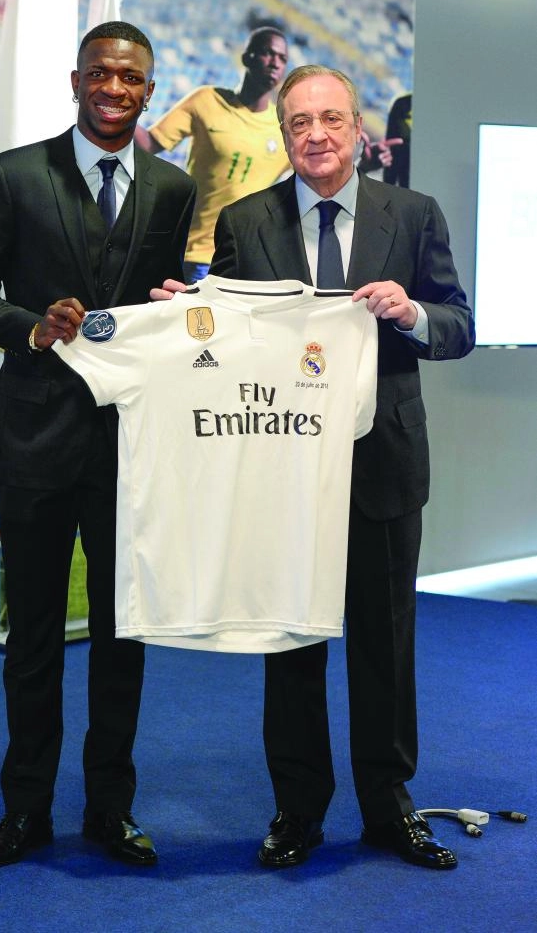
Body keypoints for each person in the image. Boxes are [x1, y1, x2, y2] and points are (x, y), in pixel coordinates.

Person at [152, 64, 475, 870]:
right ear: (285, 133)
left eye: (331, 119)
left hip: (383, 462)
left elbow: (459, 322)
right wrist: (177, 322)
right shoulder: (248, 218)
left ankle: (387, 809)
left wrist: (413, 313)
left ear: (357, 129)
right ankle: (296, 809)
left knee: (384, 645)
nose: (317, 136)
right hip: (281, 467)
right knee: (289, 640)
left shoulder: (414, 213)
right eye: (300, 123)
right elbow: (222, 331)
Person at [0, 21, 196, 870]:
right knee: (35, 640)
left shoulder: (171, 188)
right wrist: (33, 328)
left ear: (148, 89)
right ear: (75, 79)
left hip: (133, 446)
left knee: (125, 637)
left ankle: (109, 809)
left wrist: (172, 305)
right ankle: (25, 812)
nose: (115, 89)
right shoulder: (14, 173)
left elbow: (167, 307)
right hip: (36, 440)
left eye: (131, 78)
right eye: (101, 74)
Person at [135, 27, 289, 282]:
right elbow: (150, 143)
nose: (275, 63)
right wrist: (119, 113)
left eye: (282, 58)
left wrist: (360, 157)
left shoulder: (283, 128)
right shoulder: (206, 100)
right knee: (196, 323)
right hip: (197, 255)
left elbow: (316, 175)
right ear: (247, 57)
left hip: (247, 263)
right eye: (267, 53)